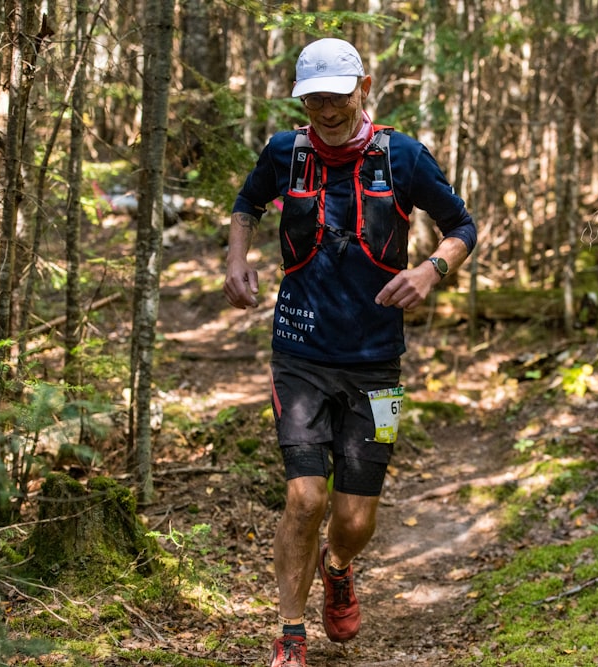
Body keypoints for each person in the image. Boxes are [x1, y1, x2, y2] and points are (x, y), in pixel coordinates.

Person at [223, 37, 477, 667]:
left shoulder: (405, 156)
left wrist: (431, 271)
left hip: (376, 360)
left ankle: (338, 568)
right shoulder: (286, 152)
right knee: (305, 499)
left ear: (365, 87)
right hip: (301, 351)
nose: (326, 110)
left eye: (336, 96)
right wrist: (236, 259)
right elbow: (246, 204)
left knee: (355, 519)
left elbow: (463, 227)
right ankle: (289, 634)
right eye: (313, 99)